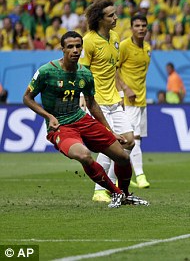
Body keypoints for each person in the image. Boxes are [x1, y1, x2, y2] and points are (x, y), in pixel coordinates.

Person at [22, 31, 147, 208]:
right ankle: (116, 193)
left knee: (123, 156)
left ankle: (125, 195)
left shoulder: (85, 74)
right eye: (70, 47)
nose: (75, 50)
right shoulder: (46, 71)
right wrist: (48, 116)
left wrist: (110, 131)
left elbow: (91, 103)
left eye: (78, 46)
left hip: (82, 120)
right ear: (62, 49)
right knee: (84, 155)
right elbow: (27, 98)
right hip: (61, 127)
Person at [79, 0, 137, 202]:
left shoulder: (114, 37)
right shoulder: (88, 40)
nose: (115, 18)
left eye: (115, 14)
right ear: (99, 19)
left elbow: (114, 70)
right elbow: (82, 72)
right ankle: (99, 191)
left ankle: (113, 187)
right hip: (97, 102)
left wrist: (120, 94)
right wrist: (82, 97)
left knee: (129, 142)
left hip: (114, 99)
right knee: (110, 145)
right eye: (111, 15)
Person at [118, 14, 152, 189]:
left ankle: (120, 175)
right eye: (137, 25)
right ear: (131, 27)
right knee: (133, 139)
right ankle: (140, 175)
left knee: (132, 141)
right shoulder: (124, 46)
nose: (141, 28)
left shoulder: (147, 48)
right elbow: (114, 69)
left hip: (141, 100)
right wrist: (124, 89)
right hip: (127, 100)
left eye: (143, 25)